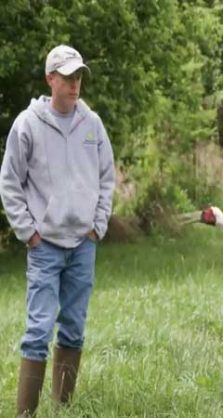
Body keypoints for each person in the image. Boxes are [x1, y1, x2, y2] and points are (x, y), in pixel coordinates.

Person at [0, 44, 115, 417]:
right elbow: (10, 183)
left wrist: (97, 226)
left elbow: (106, 176)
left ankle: (63, 408)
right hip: (45, 246)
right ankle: (25, 414)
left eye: (79, 76)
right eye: (67, 77)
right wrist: (28, 233)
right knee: (37, 331)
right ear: (51, 79)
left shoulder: (92, 125)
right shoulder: (28, 124)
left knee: (74, 329)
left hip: (83, 244)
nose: (75, 84)